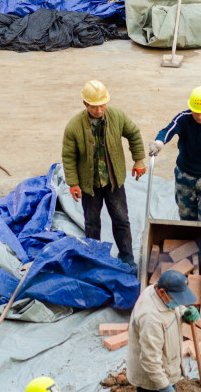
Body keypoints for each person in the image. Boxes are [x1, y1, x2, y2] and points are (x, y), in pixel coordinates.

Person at [62, 80, 146, 271]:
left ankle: (126, 256)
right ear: (85, 104)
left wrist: (139, 160)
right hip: (89, 184)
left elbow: (133, 133)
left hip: (113, 181)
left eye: (102, 105)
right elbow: (68, 156)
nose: (100, 110)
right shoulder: (74, 127)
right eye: (94, 106)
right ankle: (94, 258)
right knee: (92, 223)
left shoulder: (117, 116)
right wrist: (73, 183)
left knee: (121, 220)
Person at [149, 86, 201, 251]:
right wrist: (159, 142)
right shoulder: (184, 118)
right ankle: (188, 253)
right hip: (185, 174)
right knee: (186, 216)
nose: (199, 116)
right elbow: (168, 129)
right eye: (196, 112)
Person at [127, 270, 200, 392]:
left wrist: (183, 312)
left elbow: (173, 307)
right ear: (162, 292)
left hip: (166, 370)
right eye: (177, 299)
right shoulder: (150, 319)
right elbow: (150, 361)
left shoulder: (157, 291)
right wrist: (165, 387)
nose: (179, 302)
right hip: (152, 382)